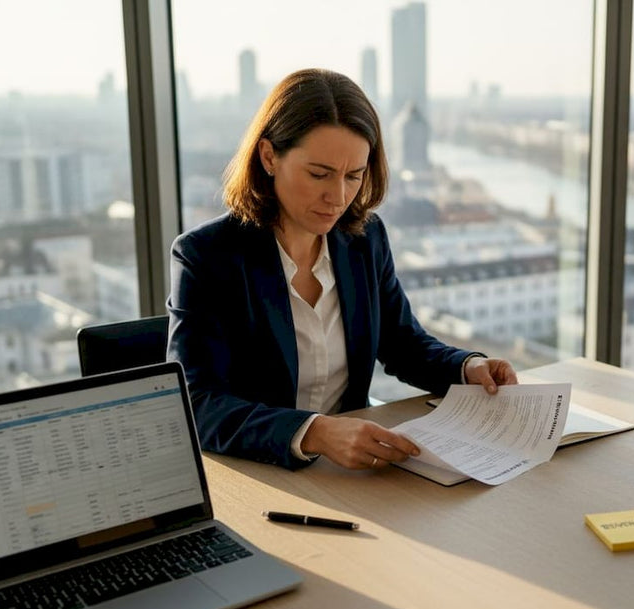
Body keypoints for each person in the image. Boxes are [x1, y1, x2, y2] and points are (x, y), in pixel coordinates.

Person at [167, 68, 518, 472]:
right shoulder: (206, 256)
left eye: (354, 176)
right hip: (260, 472)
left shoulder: (363, 239)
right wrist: (313, 432)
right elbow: (197, 403)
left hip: (352, 472)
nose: (337, 197)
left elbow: (402, 343)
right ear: (268, 157)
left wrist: (466, 367)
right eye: (319, 174)